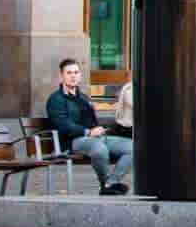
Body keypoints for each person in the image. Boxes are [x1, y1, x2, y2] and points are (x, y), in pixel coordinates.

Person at [47, 58, 133, 195]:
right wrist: (87, 132)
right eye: (69, 73)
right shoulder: (56, 99)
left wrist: (102, 129)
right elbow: (63, 125)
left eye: (76, 72)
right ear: (61, 76)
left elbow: (93, 123)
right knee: (99, 149)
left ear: (80, 75)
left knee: (133, 147)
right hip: (72, 141)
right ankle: (105, 184)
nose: (73, 76)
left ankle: (111, 183)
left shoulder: (84, 98)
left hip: (96, 137)